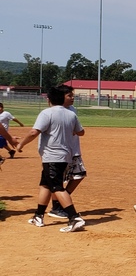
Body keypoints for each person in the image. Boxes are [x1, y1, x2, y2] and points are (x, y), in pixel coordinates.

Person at [16, 86, 86, 232]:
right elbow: (81, 132)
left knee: (57, 187)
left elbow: (34, 131)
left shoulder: (46, 113)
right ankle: (38, 215)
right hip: (63, 156)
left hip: (52, 156)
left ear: (49, 99)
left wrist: (21, 144)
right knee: (45, 185)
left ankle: (74, 218)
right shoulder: (71, 114)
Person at [48, 84, 87, 220]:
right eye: (69, 95)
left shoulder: (72, 110)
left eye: (73, 96)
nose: (72, 98)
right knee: (58, 180)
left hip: (74, 149)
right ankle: (56, 207)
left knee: (79, 175)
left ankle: (61, 200)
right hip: (60, 151)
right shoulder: (53, 111)